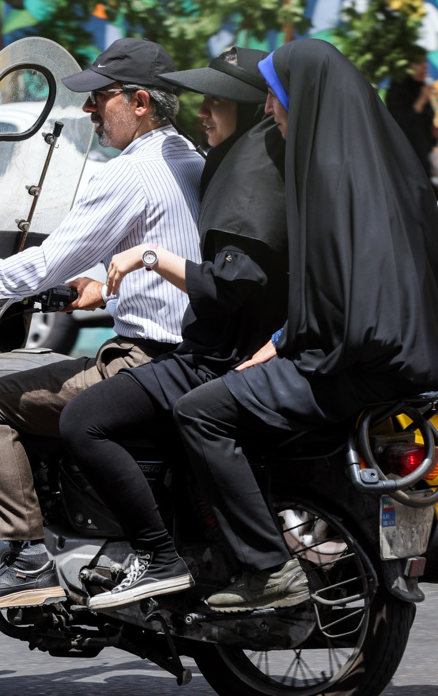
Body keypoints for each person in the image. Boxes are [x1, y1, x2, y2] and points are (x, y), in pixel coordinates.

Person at [156, 39, 438, 613]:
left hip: (355, 359)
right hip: (414, 353)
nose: (271, 111)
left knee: (199, 412)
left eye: (276, 98)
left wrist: (282, 342)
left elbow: (331, 296)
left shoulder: (324, 172)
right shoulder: (385, 159)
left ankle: (268, 570)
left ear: (305, 98)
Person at [0, 39, 204, 612]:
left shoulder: (132, 172)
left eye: (101, 97)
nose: (91, 110)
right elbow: (169, 249)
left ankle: (25, 558)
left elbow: (44, 264)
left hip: (147, 359)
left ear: (139, 101)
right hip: (191, 350)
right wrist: (97, 290)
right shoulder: (186, 157)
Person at [55, 47, 289, 610]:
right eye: (202, 98)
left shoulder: (245, 175)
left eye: (217, 101)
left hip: (213, 354)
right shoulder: (227, 161)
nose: (202, 111)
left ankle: (158, 557)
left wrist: (151, 258)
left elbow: (231, 284)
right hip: (226, 343)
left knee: (82, 420)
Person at [385, 49, 437, 183]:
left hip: (426, 164)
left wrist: (434, 133)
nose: (424, 66)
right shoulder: (396, 93)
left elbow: (425, 124)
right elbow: (400, 127)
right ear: (408, 66)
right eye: (419, 62)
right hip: (407, 167)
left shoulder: (421, 87)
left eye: (425, 62)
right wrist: (420, 102)